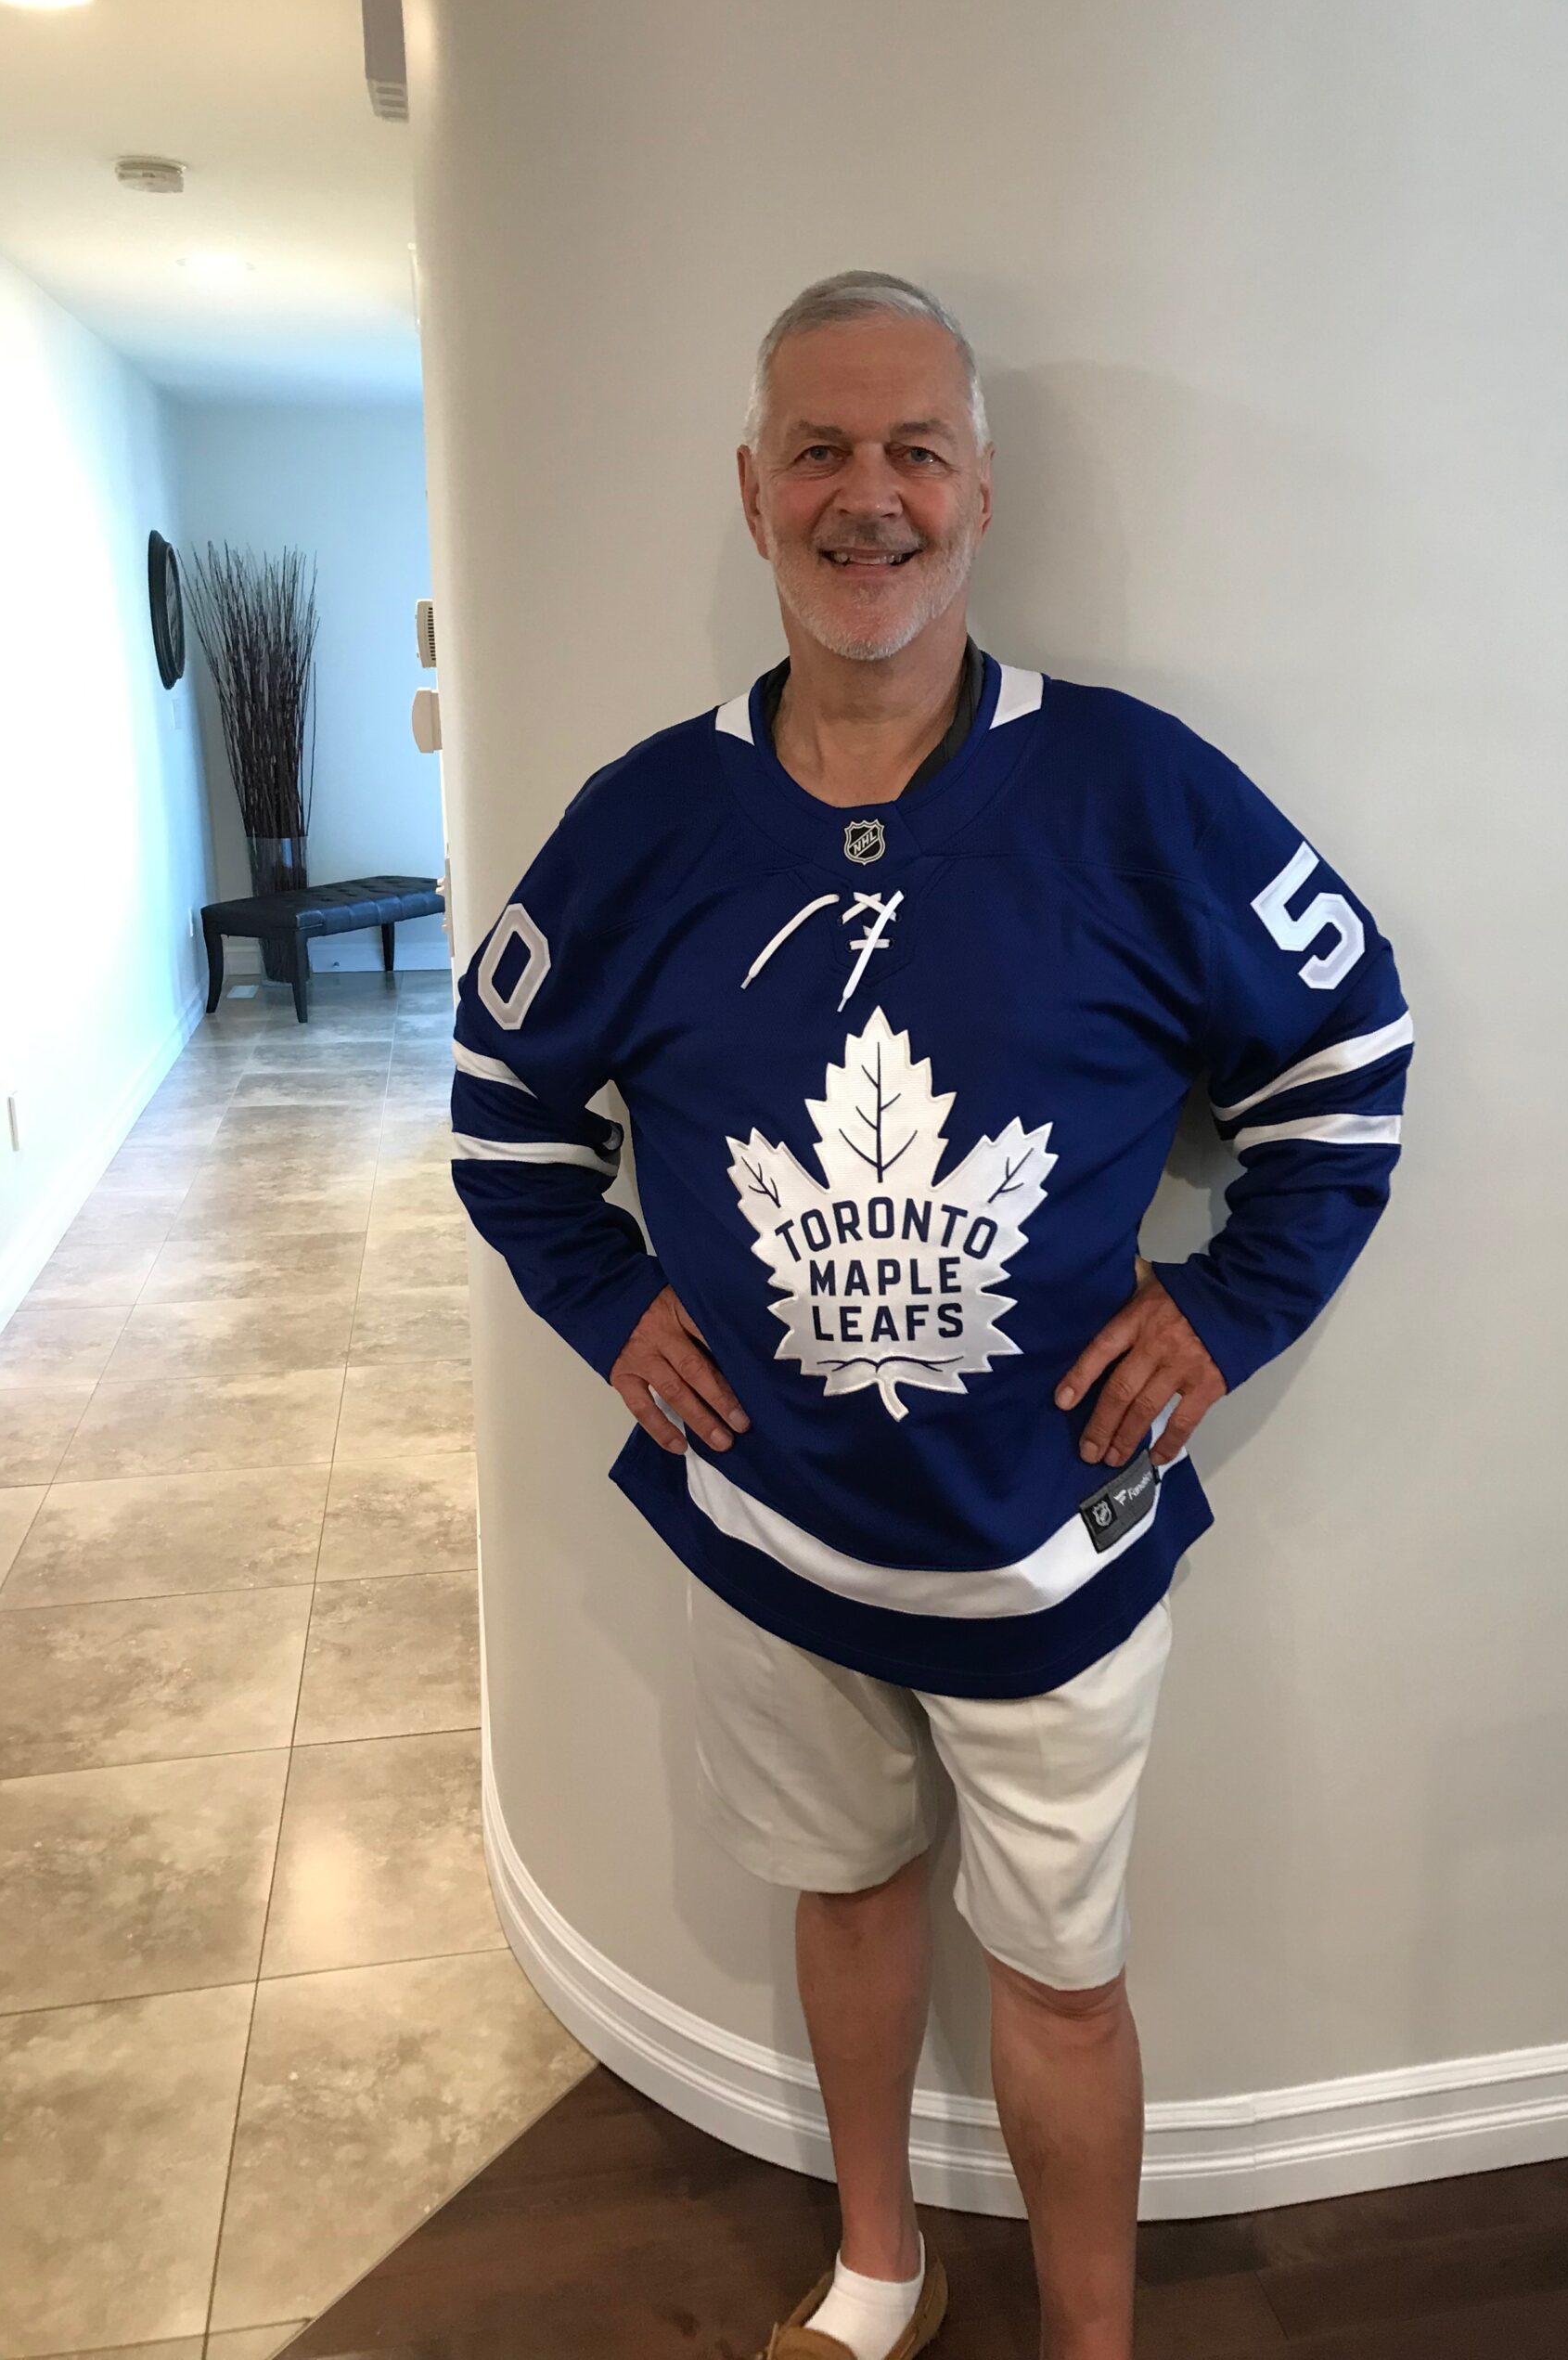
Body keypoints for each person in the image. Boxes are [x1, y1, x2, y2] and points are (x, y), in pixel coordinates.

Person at [448, 271, 1413, 2360]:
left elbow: (1349, 1061)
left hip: (1049, 1533)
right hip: (773, 1520)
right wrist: (611, 1306)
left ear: (983, 488)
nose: (865, 496)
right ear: (752, 491)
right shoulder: (644, 823)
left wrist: (1226, 1311)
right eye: (819, 450)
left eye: (913, 451)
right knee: (848, 1891)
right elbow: (503, 1113)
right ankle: (881, 2262)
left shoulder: (1135, 792)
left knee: (1064, 1974)